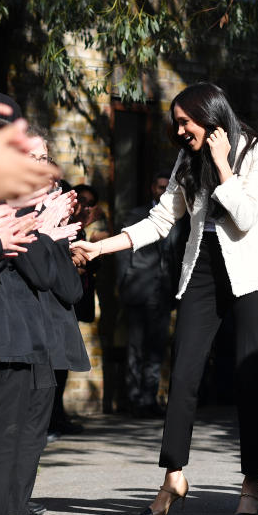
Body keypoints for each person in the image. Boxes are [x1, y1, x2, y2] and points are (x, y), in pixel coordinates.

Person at [73, 82, 258, 515]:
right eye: (176, 124)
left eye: (184, 122)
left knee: (247, 378)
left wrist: (221, 165)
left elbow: (248, 217)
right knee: (184, 372)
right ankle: (173, 475)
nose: (179, 132)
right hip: (204, 271)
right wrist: (103, 247)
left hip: (255, 274)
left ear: (210, 117)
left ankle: (251, 482)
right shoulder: (186, 159)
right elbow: (160, 220)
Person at [115, 174, 183, 417]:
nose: (164, 190)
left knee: (156, 348)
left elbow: (176, 256)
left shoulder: (177, 217)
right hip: (138, 289)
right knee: (136, 347)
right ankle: (134, 400)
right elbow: (123, 254)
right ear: (152, 188)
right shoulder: (136, 215)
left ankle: (149, 399)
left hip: (163, 292)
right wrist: (123, 283)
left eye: (167, 187)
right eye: (160, 186)